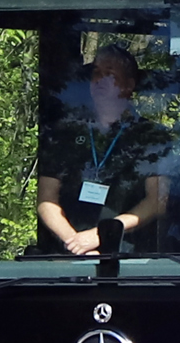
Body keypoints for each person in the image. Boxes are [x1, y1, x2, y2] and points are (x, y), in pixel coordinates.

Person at [37, 46, 169, 256]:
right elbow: (46, 200)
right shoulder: (65, 132)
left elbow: (157, 202)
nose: (100, 79)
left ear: (128, 86)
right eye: (97, 73)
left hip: (129, 258)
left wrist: (102, 235)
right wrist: (76, 243)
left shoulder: (152, 136)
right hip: (67, 256)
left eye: (110, 74)